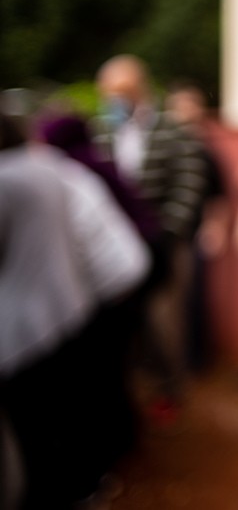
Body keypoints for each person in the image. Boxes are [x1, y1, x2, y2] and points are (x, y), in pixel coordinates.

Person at [0, 109, 151, 507]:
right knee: (85, 393)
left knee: (68, 404)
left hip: (87, 293)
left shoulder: (19, 178)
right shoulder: (53, 168)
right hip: (86, 294)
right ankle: (98, 471)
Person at [92, 54, 208, 424]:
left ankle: (170, 391)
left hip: (165, 243)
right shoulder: (101, 130)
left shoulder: (172, 129)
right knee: (126, 323)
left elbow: (190, 184)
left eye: (120, 92)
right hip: (118, 245)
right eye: (108, 93)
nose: (113, 101)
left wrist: (165, 233)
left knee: (164, 321)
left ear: (138, 90)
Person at [164, 80, 232, 373]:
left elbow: (218, 195)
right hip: (165, 236)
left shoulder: (205, 153)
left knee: (192, 300)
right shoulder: (162, 150)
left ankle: (194, 360)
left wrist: (215, 227)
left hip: (191, 236)